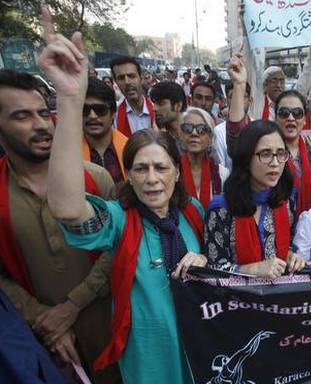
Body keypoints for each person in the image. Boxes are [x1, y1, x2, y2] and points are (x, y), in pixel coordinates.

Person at [39, 12, 207, 382]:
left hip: (199, 352)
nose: (151, 179)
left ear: (176, 173)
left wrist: (203, 259)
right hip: (148, 362)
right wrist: (70, 100)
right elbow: (67, 208)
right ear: (127, 175)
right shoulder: (118, 218)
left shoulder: (193, 212)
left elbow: (219, 270)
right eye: (141, 169)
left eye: (161, 168)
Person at [0, 66, 119, 382]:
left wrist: (72, 306)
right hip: (43, 344)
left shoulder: (95, 178)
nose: (40, 124)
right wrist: (45, 320)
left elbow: (119, 249)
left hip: (111, 331)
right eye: (22, 116)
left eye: (42, 112)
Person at [225, 55, 311, 215]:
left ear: (305, 118)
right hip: (271, 227)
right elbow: (236, 141)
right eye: (284, 113)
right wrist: (239, 85)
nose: (291, 118)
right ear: (276, 116)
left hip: (310, 229)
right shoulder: (262, 145)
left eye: (297, 113)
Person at [206, 120, 307, 277]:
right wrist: (251, 270)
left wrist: (291, 257)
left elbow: (285, 246)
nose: (275, 163)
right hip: (236, 300)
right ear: (246, 159)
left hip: (280, 296)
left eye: (281, 154)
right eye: (265, 154)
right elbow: (213, 269)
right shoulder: (221, 209)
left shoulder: (286, 200)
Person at [179, 107, 228, 208]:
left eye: (201, 129)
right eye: (187, 128)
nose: (194, 133)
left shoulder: (222, 174)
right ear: (181, 135)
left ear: (210, 138)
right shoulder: (172, 171)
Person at [81, 76, 128, 183]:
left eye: (100, 110)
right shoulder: (68, 155)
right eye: (85, 110)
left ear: (112, 113)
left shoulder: (129, 149)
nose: (92, 116)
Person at [212, 81, 252, 171]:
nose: (237, 101)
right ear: (226, 101)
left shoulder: (257, 127)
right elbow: (221, 168)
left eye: (243, 96)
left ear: (250, 100)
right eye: (232, 97)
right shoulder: (219, 131)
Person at [110, 56, 155, 136]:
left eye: (131, 76)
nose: (127, 82)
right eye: (121, 78)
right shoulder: (113, 115)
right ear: (116, 82)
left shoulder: (156, 109)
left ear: (141, 78)